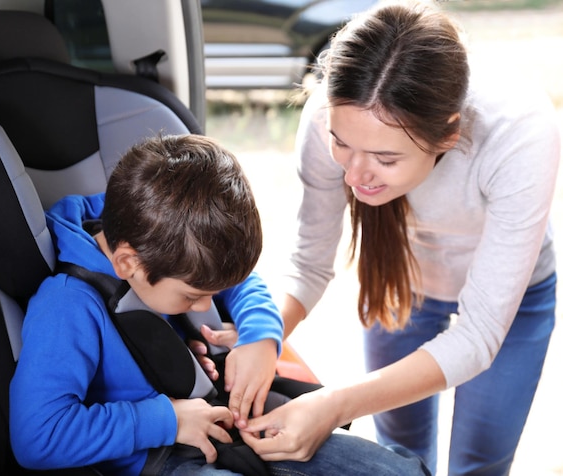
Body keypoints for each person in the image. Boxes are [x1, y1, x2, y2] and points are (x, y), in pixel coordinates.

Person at [192, 2, 561, 475]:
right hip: (400, 282)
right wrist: (265, 333)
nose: (355, 174)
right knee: (400, 448)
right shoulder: (329, 113)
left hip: (514, 301)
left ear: (448, 134)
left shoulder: (518, 132)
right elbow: (308, 263)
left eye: (385, 159)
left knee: (482, 458)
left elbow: (478, 335)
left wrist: (334, 406)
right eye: (343, 145)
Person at [9, 134, 431, 476]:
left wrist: (261, 336)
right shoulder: (67, 307)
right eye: (194, 296)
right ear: (127, 264)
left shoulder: (172, 241)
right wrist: (168, 420)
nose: (205, 306)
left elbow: (240, 285)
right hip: (160, 456)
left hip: (226, 414)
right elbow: (37, 436)